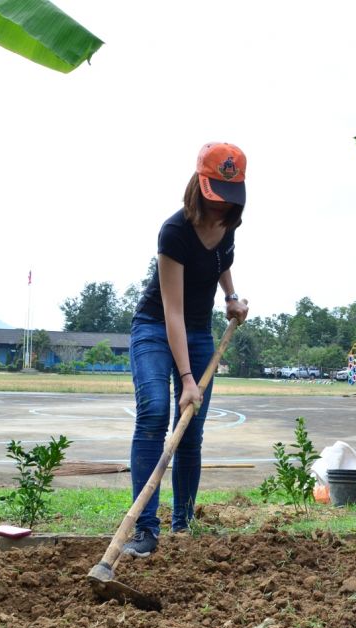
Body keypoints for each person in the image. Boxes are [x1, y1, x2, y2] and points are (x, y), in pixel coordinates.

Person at [122, 142, 249, 558]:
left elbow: (220, 261)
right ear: (198, 185)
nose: (220, 210)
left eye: (228, 202)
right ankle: (145, 528)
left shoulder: (227, 226)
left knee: (191, 430)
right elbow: (172, 312)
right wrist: (189, 380)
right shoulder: (174, 231)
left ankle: (184, 523)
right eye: (215, 199)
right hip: (156, 328)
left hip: (198, 332)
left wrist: (232, 295)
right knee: (157, 412)